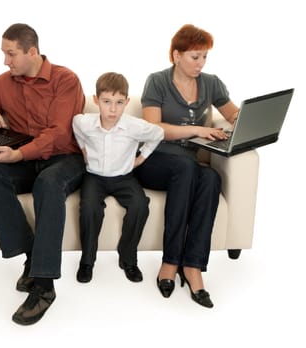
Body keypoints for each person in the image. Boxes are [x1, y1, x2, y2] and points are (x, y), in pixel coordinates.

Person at [0, 23, 86, 325]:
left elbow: (60, 134)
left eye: (11, 54)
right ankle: (32, 256)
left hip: (65, 158)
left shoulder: (65, 79)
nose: (6, 61)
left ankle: (44, 286)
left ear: (31, 51)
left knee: (48, 184)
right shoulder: (4, 82)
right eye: (4, 54)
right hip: (24, 157)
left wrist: (19, 154)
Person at [134, 24, 239, 308]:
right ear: (176, 55)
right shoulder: (157, 81)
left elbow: (233, 115)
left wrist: (244, 123)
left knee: (211, 179)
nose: (200, 63)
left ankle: (192, 265)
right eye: (195, 57)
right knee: (187, 168)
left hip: (188, 166)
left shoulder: (211, 82)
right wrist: (197, 130)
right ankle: (170, 261)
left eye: (204, 57)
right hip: (155, 161)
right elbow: (153, 128)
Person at [72, 72, 164, 284]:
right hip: (94, 177)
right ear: (96, 101)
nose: (112, 109)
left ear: (127, 102)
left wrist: (141, 158)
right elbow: (76, 128)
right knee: (89, 209)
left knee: (140, 206)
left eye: (119, 103)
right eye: (106, 102)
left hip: (124, 177)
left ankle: (128, 258)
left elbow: (157, 134)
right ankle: (87, 261)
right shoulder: (84, 122)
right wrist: (83, 149)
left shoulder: (134, 126)